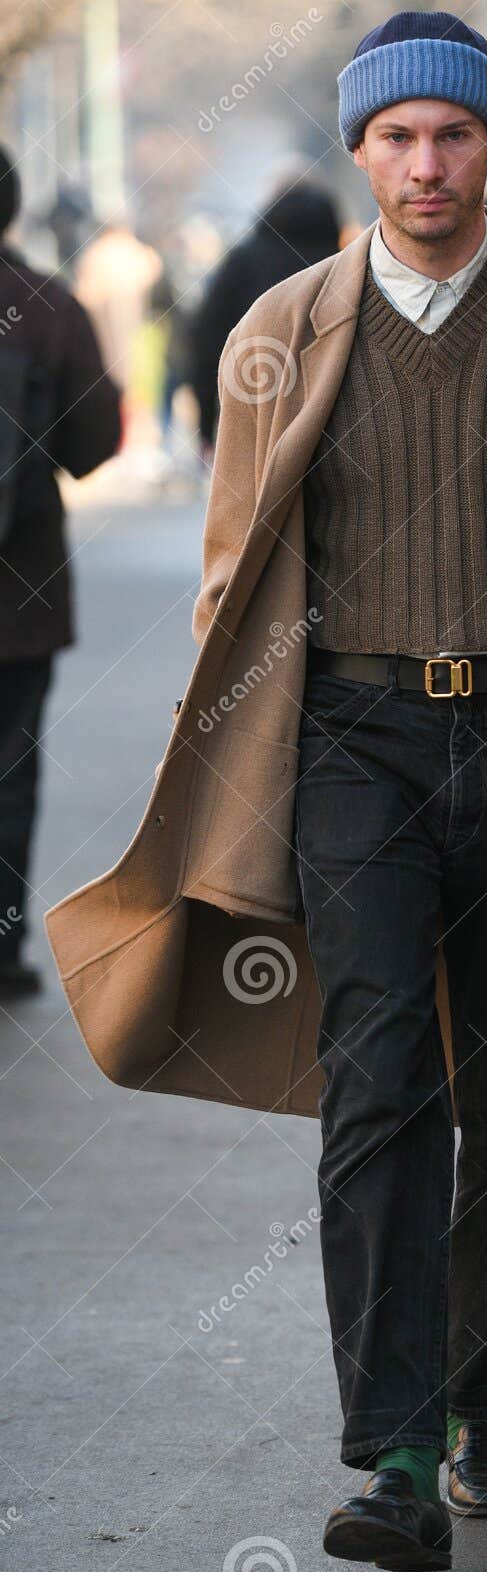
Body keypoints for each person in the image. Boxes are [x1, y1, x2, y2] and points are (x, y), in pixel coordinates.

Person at [42, 10, 487, 1572]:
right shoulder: (284, 331)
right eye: (394, 137)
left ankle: (473, 1399)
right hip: (350, 742)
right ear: (357, 152)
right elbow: (234, 578)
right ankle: (393, 1451)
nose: (423, 163)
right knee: (381, 1078)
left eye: (451, 134)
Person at [0, 146, 121, 997]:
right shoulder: (47, 306)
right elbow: (91, 447)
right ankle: (1, 951)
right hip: (20, 593)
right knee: (10, 775)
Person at [190, 179, 341, 450]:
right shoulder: (344, 268)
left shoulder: (244, 261)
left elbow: (206, 341)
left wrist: (206, 424)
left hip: (254, 418)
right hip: (333, 426)